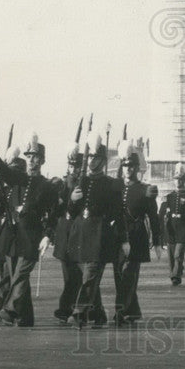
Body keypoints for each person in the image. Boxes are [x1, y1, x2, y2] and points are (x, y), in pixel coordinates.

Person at [0, 134, 58, 327]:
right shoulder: (20, 178)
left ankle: (10, 309)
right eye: (29, 157)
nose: (32, 160)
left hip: (32, 237)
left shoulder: (47, 185)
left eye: (36, 157)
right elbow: (5, 173)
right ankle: (25, 317)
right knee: (16, 275)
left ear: (42, 160)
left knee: (20, 275)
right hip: (14, 235)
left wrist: (48, 236)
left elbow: (53, 213)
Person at [68, 133, 120, 329]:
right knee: (89, 278)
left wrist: (122, 239)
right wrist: (72, 199)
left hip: (99, 234)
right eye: (90, 157)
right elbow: (72, 212)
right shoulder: (81, 181)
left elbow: (116, 214)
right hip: (81, 234)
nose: (92, 161)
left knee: (90, 276)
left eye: (96, 158)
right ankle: (98, 314)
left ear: (103, 160)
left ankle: (79, 311)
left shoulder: (109, 184)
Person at [52, 143, 104, 324]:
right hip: (65, 233)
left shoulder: (83, 182)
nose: (73, 168)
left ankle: (70, 308)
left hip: (80, 234)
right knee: (74, 276)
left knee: (84, 275)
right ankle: (95, 312)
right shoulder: (63, 184)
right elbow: (57, 209)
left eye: (76, 165)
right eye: (71, 165)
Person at [114, 146, 161, 326]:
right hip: (119, 235)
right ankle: (133, 310)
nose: (128, 169)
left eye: (132, 166)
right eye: (125, 166)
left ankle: (120, 311)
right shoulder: (116, 187)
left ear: (136, 168)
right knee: (121, 275)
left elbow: (154, 217)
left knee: (129, 275)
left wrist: (156, 241)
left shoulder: (145, 190)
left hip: (137, 236)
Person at [158, 163, 185, 287]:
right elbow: (163, 213)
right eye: (176, 179)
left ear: (183, 181)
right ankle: (174, 272)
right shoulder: (169, 197)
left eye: (180, 179)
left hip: (182, 230)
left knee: (178, 255)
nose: (178, 182)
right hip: (171, 229)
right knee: (172, 256)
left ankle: (176, 276)